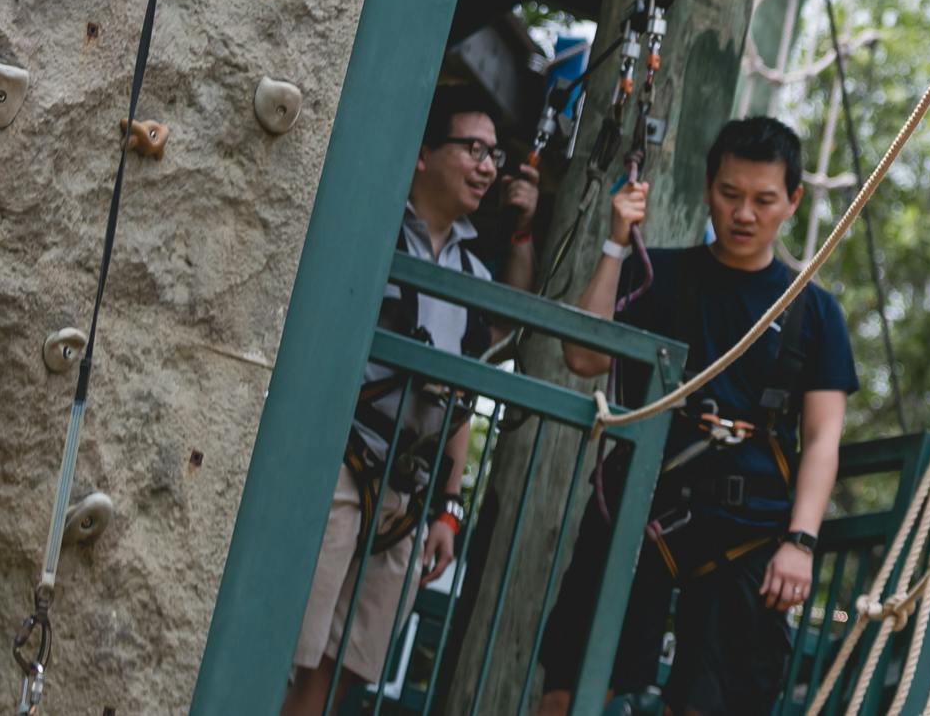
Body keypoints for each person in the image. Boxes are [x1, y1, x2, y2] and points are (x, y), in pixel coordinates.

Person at [537, 117, 858, 716]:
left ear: (793, 201)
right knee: (568, 694)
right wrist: (615, 244)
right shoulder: (656, 275)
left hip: (750, 527)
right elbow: (582, 357)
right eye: (730, 194)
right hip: (640, 509)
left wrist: (801, 541)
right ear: (708, 189)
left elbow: (822, 438)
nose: (744, 214)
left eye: (764, 200)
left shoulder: (813, 312)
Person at [282, 83, 536, 713]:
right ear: (423, 154)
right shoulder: (376, 234)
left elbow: (465, 396)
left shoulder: (474, 274)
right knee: (289, 645)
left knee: (346, 661)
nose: (486, 166)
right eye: (472, 148)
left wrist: (447, 509)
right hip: (344, 464)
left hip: (410, 492)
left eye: (494, 155)